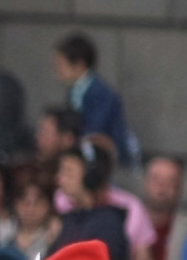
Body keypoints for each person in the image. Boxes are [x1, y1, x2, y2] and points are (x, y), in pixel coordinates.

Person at [53, 33, 135, 168]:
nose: (58, 71)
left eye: (61, 65)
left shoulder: (101, 93)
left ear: (79, 65)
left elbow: (95, 128)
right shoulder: (73, 91)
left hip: (105, 159)